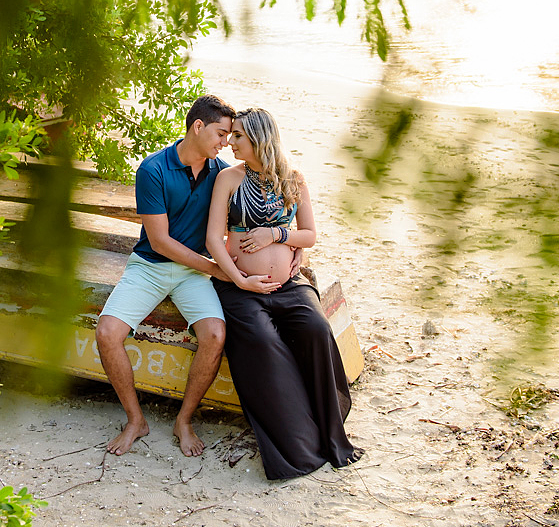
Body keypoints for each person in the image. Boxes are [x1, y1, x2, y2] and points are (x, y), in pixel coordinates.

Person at [96, 95, 261, 457]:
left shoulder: (221, 173)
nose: (226, 143)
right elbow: (161, 241)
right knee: (107, 332)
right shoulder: (152, 169)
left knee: (215, 334)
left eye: (231, 136)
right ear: (197, 127)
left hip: (193, 273)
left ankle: (183, 420)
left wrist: (281, 249)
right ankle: (135, 420)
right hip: (150, 266)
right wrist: (219, 271)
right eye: (221, 134)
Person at [205, 107, 362, 479]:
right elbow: (214, 239)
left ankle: (329, 430)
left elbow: (309, 234)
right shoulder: (228, 179)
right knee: (261, 341)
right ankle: (298, 446)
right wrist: (239, 279)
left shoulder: (293, 178)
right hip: (241, 287)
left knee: (317, 330)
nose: (231, 143)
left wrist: (275, 235)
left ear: (259, 138)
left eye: (239, 136)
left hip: (289, 285)